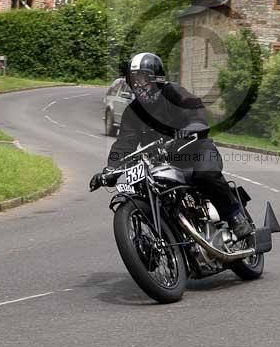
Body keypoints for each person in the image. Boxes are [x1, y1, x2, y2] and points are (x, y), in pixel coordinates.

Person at [89, 52, 253, 238]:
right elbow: (124, 144)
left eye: (142, 79)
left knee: (205, 174)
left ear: (156, 78)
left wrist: (192, 128)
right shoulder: (132, 113)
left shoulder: (173, 93)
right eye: (133, 80)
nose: (137, 85)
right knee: (146, 189)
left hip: (195, 149)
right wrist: (110, 169)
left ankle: (235, 216)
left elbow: (195, 111)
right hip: (161, 161)